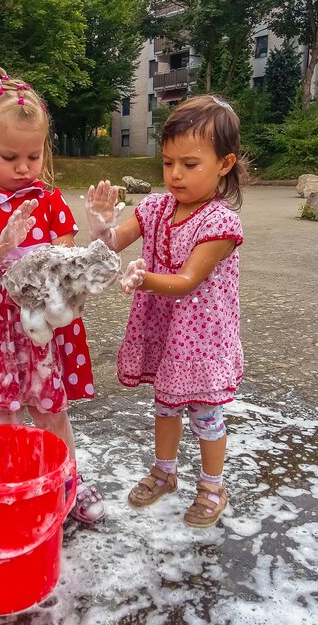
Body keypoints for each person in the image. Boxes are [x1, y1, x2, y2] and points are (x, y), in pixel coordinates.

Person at [0, 66, 104, 524]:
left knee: (52, 411)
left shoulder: (48, 199)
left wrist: (80, 251)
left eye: (34, 154)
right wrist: (3, 244)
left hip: (42, 330)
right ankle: (12, 488)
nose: (25, 167)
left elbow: (65, 257)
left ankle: (67, 480)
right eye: (11, 156)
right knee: (4, 413)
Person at [86, 94, 246, 527]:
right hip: (166, 332)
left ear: (224, 163)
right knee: (164, 406)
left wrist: (143, 279)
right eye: (168, 162)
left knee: (206, 414)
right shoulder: (155, 207)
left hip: (201, 338)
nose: (175, 174)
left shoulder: (221, 224)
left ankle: (213, 485)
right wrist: (102, 222)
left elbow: (187, 281)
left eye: (190, 165)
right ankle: (165, 472)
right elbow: (112, 243)